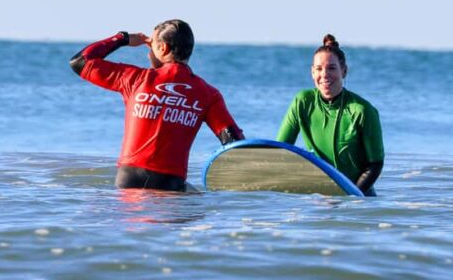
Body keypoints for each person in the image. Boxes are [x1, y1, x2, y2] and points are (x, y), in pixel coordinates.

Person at [69, 19, 244, 191]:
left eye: (151, 43)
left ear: (163, 48)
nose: (148, 51)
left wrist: (123, 38)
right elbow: (233, 141)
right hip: (170, 184)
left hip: (129, 180)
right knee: (194, 203)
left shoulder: (134, 79)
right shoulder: (207, 93)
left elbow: (80, 62)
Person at [276, 34, 384, 196]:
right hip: (318, 198)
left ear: (344, 71)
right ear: (312, 72)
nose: (324, 74)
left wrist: (350, 198)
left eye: (332, 68)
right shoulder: (303, 102)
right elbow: (281, 151)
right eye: (319, 69)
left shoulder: (361, 110)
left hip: (359, 201)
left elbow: (375, 164)